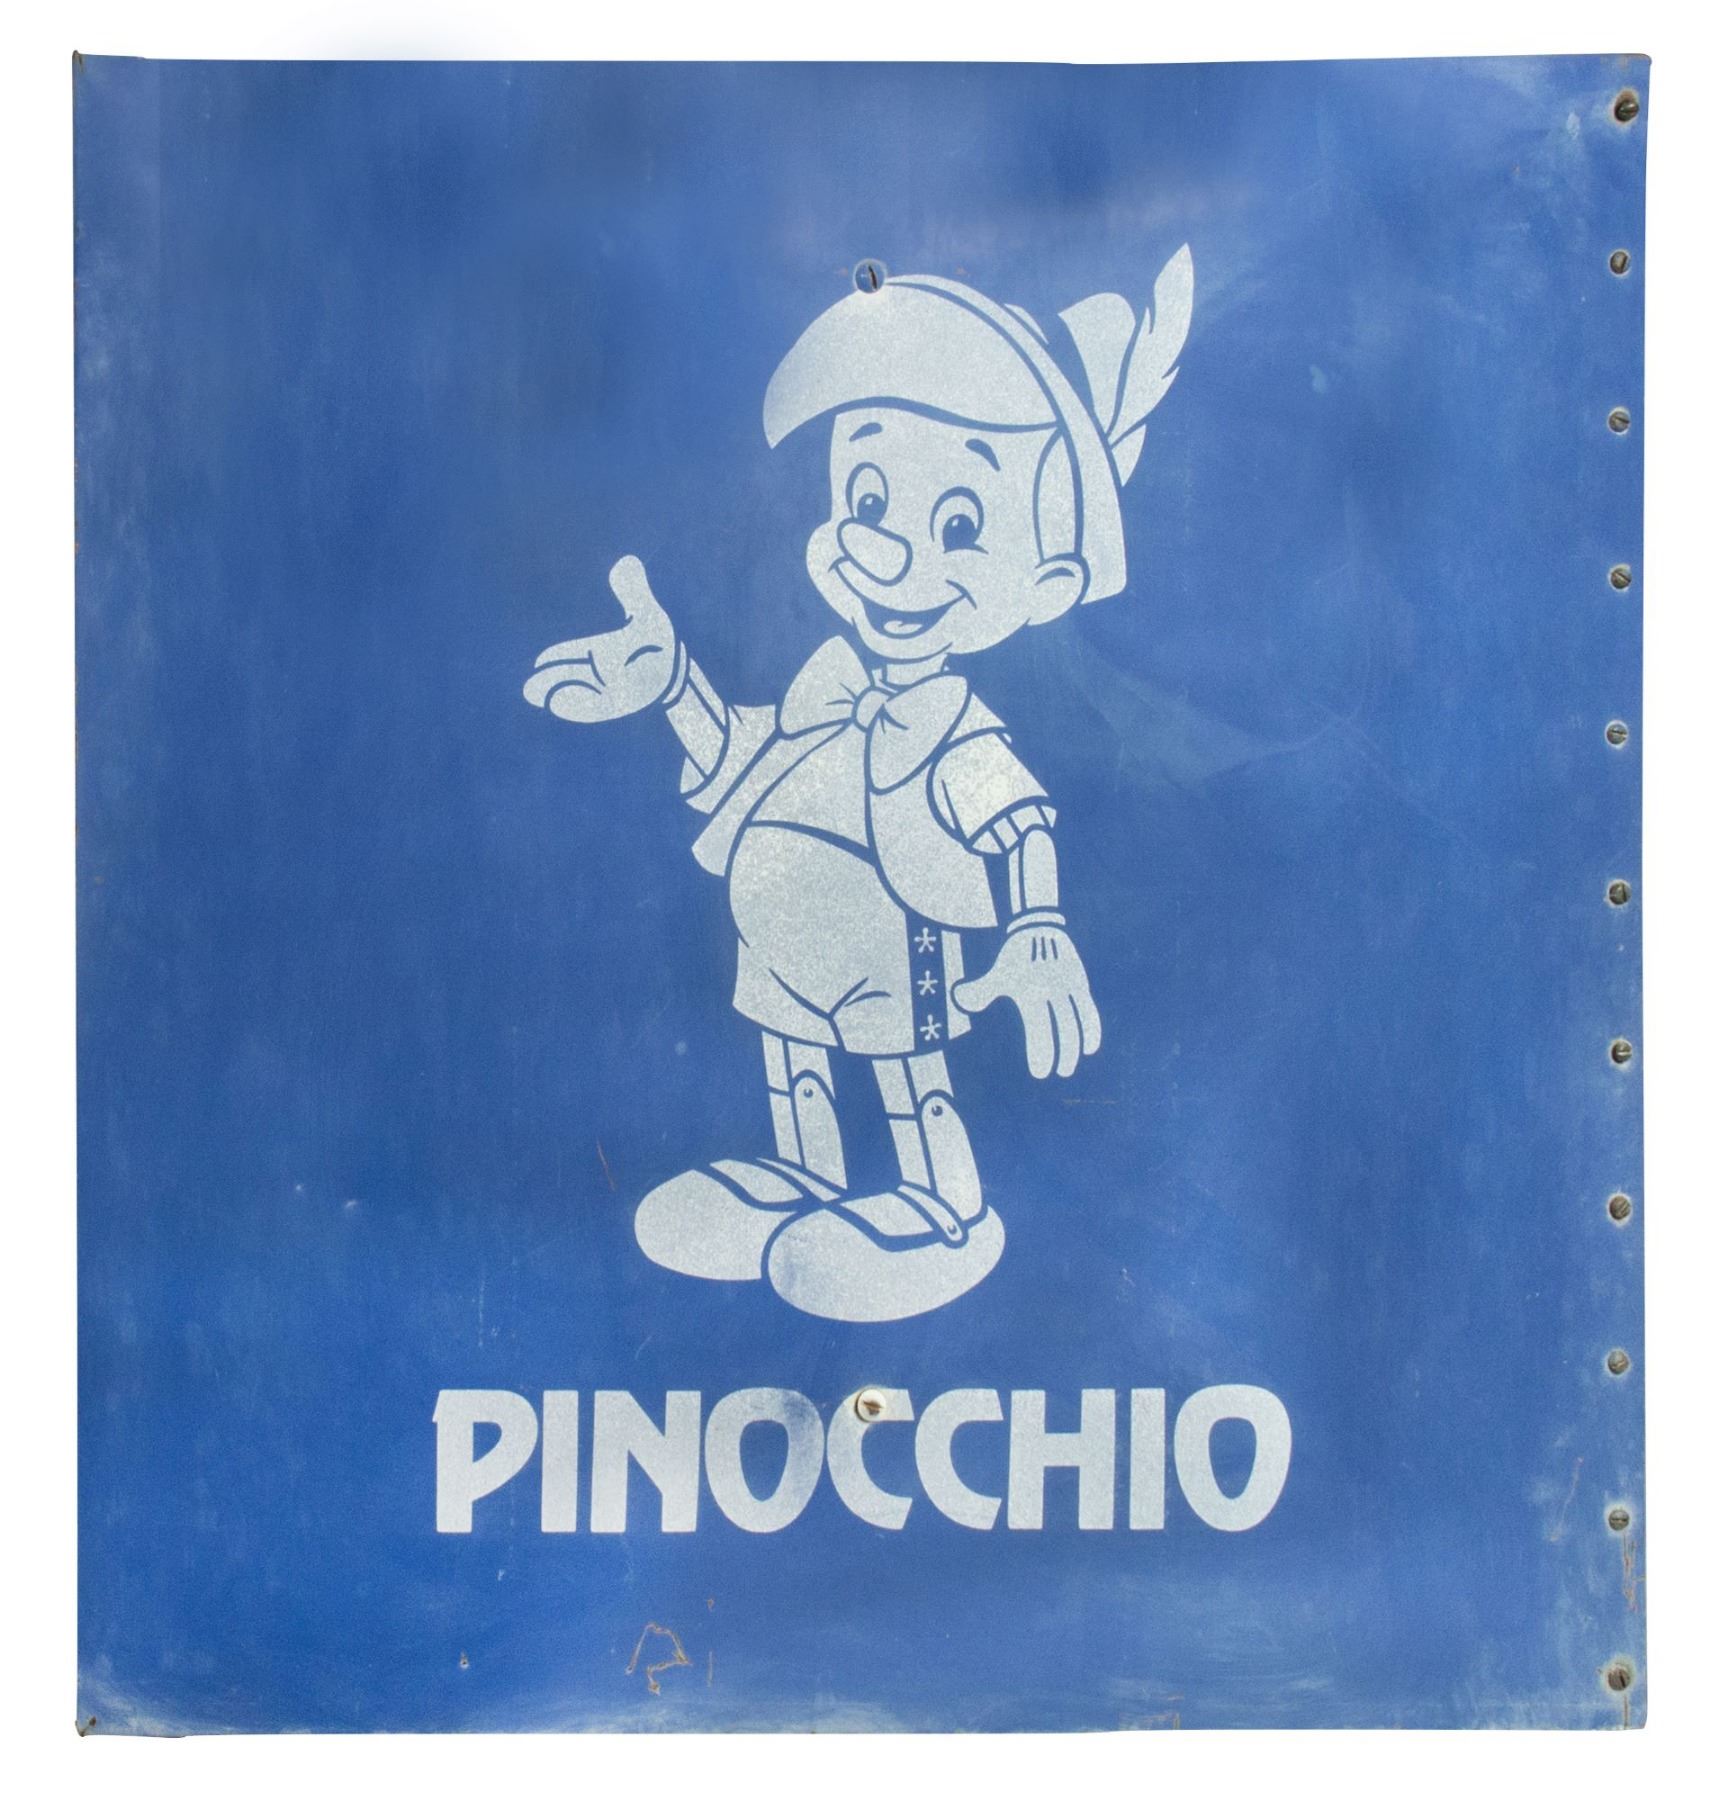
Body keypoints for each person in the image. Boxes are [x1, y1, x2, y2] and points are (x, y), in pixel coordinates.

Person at [524, 253, 1193, 1322]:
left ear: (1048, 581)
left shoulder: (952, 722)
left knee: (906, 1069)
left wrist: (1037, 925)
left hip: (888, 937)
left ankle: (946, 1202)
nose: (882, 546)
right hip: (783, 934)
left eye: (959, 525)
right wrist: (672, 684)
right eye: (869, 496)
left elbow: (1015, 817)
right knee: (791, 1056)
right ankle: (807, 1173)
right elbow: (749, 763)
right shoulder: (826, 681)